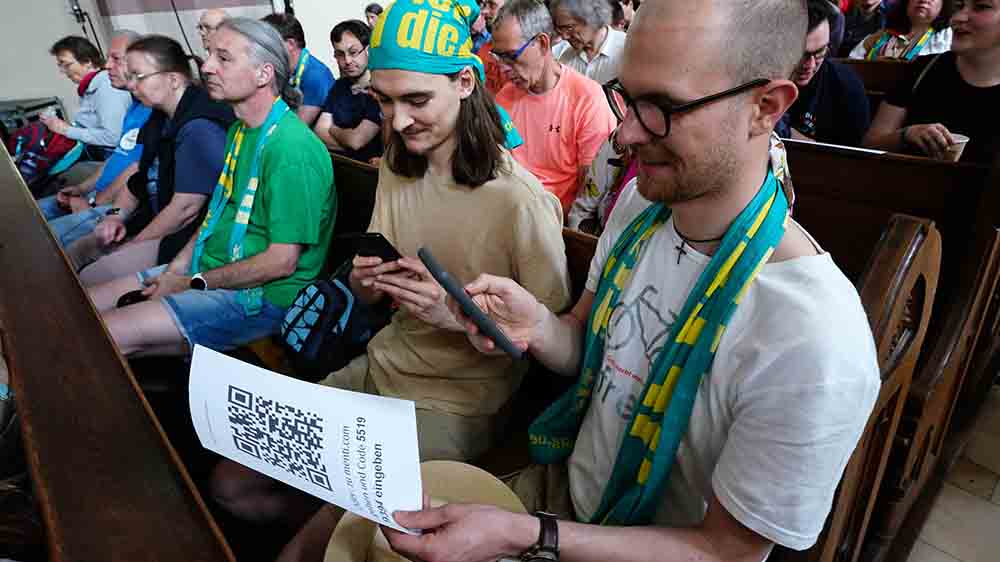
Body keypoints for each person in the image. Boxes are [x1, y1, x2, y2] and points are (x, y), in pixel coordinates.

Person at [380, 1, 880, 561]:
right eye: (628, 97)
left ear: (765, 106)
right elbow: (591, 354)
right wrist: (538, 326)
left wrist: (529, 535)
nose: (625, 132)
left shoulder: (814, 338)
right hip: (563, 495)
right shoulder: (642, 204)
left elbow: (726, 552)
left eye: (662, 107)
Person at [210, 2, 567, 560]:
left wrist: (455, 314)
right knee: (230, 485)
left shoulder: (519, 201)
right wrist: (369, 281)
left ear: (466, 82)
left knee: (312, 546)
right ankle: (336, 508)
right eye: (384, 100)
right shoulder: (401, 165)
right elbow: (371, 286)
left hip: (457, 402)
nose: (397, 122)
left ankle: (339, 514)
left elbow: (547, 347)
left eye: (417, 100)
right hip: (380, 365)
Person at [85, 18, 334, 358]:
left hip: (261, 297)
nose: (207, 67)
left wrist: (189, 284)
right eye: (209, 55)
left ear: (263, 74)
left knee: (97, 337)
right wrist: (176, 268)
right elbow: (217, 213)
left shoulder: (291, 148)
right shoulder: (240, 130)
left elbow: (281, 263)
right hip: (209, 269)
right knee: (85, 302)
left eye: (224, 58)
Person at [64, 35, 234, 286]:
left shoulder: (199, 127)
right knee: (75, 253)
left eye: (138, 76)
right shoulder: (158, 116)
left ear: (173, 79)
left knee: (92, 277)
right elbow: (140, 179)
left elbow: (185, 211)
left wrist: (133, 245)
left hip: (189, 238)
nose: (131, 85)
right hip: (154, 219)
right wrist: (115, 216)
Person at [494, 0, 617, 214]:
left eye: (511, 57)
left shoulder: (587, 99)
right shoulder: (504, 98)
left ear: (542, 43)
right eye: (498, 57)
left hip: (557, 221)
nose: (503, 69)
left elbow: (590, 188)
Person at [36, 30, 152, 233]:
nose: (107, 66)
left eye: (115, 59)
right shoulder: (135, 105)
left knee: (38, 236)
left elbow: (135, 168)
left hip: (110, 204)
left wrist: (93, 204)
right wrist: (82, 190)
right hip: (97, 194)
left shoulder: (148, 110)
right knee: (31, 213)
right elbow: (119, 155)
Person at [863, 0, 1000, 163]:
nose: (958, 18)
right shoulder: (922, 69)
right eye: (959, 6)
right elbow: (869, 145)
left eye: (981, 7)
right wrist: (907, 135)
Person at [779, 0, 871, 145]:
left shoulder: (846, 86)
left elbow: (851, 158)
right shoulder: (754, 78)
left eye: (820, 52)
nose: (810, 65)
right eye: (801, 55)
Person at [42, 36, 132, 169]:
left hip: (111, 157)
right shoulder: (92, 86)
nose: (62, 71)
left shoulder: (107, 87)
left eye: (66, 65)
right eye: (60, 66)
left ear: (87, 61)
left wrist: (65, 129)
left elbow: (113, 137)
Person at [313, 19, 383, 163]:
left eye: (353, 52)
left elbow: (357, 140)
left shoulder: (379, 89)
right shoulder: (339, 87)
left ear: (368, 50)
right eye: (340, 54)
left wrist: (333, 130)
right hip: (341, 168)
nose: (347, 60)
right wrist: (352, 143)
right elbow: (319, 132)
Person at [262, 13, 336, 126]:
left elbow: (296, 128)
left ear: (290, 44)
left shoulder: (315, 76)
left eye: (269, 44)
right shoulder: (287, 68)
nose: (264, 50)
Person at [551, 0, 627, 84]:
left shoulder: (627, 50)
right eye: (560, 29)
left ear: (594, 19)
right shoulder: (560, 54)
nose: (564, 36)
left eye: (569, 27)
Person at [849, 0, 952, 59]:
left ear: (943, 6)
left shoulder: (947, 37)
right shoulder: (881, 35)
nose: (923, 0)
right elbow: (853, 63)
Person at [477, 0, 511, 94]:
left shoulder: (525, 54)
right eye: (484, 5)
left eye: (492, 5)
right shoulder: (483, 51)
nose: (484, 11)